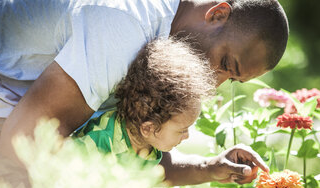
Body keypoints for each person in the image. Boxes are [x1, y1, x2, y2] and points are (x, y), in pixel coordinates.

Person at [0, 0, 288, 188]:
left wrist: (208, 168)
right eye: (225, 65)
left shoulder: (172, 35)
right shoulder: (125, 25)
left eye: (231, 79)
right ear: (217, 14)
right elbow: (25, 140)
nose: (214, 82)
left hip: (29, 117)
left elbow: (128, 150)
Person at [74, 38, 215, 173]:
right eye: (182, 130)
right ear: (148, 128)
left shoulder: (151, 142)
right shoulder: (99, 142)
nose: (187, 136)